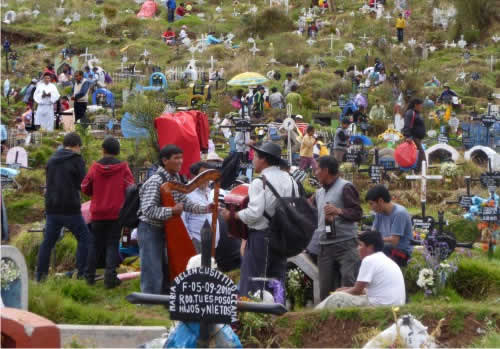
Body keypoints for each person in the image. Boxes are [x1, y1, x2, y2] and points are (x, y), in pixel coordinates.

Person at [221, 142, 298, 297]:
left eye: (255, 157)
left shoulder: (259, 182)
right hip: (281, 237)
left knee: (254, 282)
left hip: (261, 237)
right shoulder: (291, 181)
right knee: (277, 281)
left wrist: (233, 215)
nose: (253, 160)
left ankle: (253, 317)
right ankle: (276, 315)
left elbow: (254, 214)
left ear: (264, 160)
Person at [137, 145, 213, 294]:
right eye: (176, 158)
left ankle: (163, 297)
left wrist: (206, 208)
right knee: (152, 266)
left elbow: (185, 203)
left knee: (165, 264)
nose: (180, 161)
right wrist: (171, 211)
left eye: (181, 157)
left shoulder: (176, 178)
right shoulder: (156, 181)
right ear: (165, 160)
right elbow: (147, 209)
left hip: (167, 228)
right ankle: (148, 302)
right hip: (150, 228)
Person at [81, 137, 135, 287]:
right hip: (116, 213)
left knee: (95, 244)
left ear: (103, 150)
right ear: (117, 151)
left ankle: (89, 277)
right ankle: (110, 278)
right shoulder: (123, 168)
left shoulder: (95, 167)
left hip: (98, 212)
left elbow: (85, 187)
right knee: (112, 244)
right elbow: (131, 188)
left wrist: (96, 193)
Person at [308, 156, 363, 301]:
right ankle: (326, 319)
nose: (315, 172)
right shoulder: (319, 193)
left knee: (348, 282)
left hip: (345, 244)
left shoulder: (345, 187)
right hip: (325, 246)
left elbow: (358, 213)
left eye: (318, 169)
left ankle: (350, 319)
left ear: (326, 171)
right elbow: (310, 211)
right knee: (325, 288)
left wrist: (339, 211)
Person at [36, 133, 89, 281]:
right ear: (77, 145)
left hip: (52, 207)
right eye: (80, 147)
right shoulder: (76, 160)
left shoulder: (52, 160)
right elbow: (83, 183)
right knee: (85, 238)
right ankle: (81, 273)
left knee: (48, 242)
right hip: (70, 207)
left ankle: (40, 276)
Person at [319, 230, 405, 308]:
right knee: (342, 294)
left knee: (336, 298)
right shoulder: (385, 259)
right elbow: (369, 290)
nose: (357, 249)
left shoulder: (369, 260)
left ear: (370, 247)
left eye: (360, 245)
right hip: (396, 304)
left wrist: (339, 293)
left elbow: (357, 291)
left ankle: (314, 315)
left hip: (380, 305)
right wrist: (345, 289)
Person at [365, 185, 413, 267]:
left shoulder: (399, 213)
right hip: (385, 249)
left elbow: (394, 241)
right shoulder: (379, 213)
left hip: (400, 253)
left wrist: (374, 239)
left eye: (371, 204)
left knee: (374, 260)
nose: (371, 208)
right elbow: (373, 233)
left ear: (380, 201)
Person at [182, 162, 220, 252]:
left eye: (208, 175)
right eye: (202, 174)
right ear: (193, 176)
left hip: (210, 242)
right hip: (196, 241)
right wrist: (191, 240)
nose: (206, 178)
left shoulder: (208, 192)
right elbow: (182, 220)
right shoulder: (187, 194)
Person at [402, 98, 426, 171]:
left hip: (417, 138)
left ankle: (416, 170)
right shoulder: (410, 113)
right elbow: (407, 125)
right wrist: (408, 136)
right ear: (416, 105)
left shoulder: (417, 113)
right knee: (421, 154)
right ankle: (419, 171)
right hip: (412, 137)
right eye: (420, 105)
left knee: (412, 155)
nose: (421, 107)